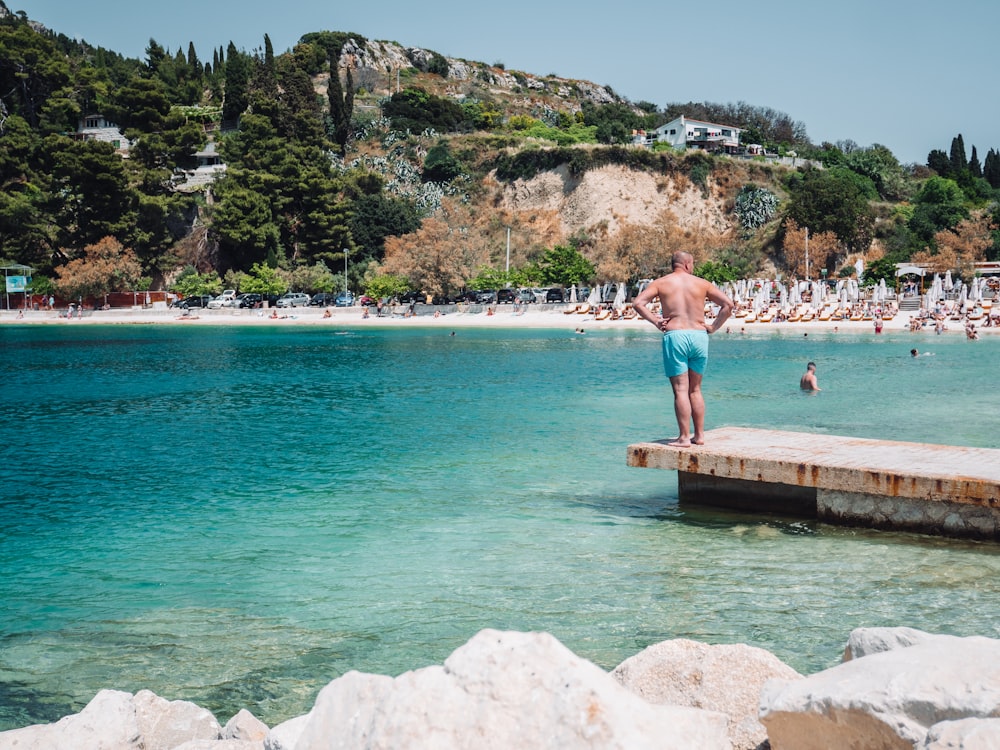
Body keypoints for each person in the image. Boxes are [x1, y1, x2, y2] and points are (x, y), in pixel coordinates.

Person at [633, 251, 734, 447]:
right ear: (687, 264)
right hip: (699, 336)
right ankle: (700, 435)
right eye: (693, 264)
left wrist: (655, 320)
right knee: (695, 389)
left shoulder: (661, 283)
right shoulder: (702, 283)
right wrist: (713, 327)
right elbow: (728, 305)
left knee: (681, 390)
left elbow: (638, 303)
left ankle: (684, 437)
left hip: (676, 335)